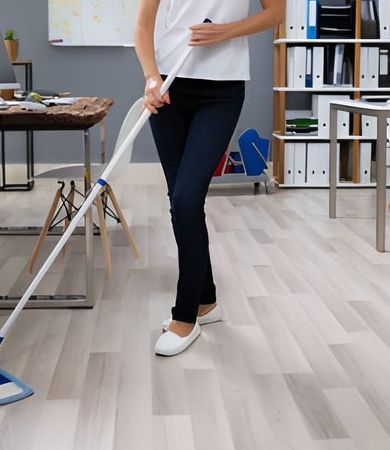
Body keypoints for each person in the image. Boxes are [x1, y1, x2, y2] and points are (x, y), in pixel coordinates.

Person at [134, 0, 283, 356]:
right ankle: (206, 301)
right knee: (181, 201)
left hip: (222, 88)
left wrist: (224, 32)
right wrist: (151, 78)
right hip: (169, 86)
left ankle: (184, 319)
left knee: (186, 199)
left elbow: (276, 13)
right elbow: (143, 27)